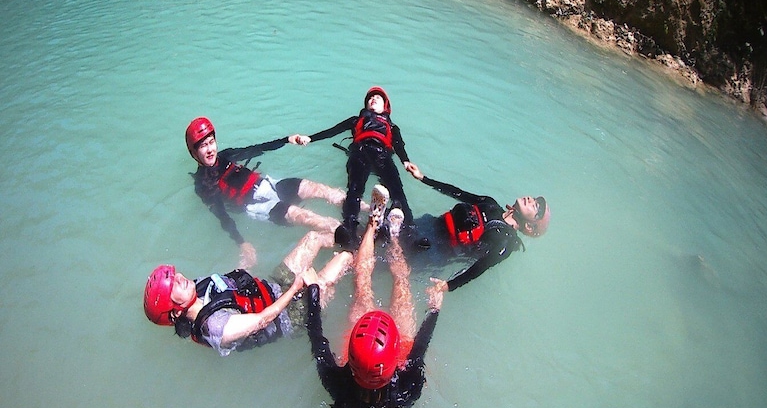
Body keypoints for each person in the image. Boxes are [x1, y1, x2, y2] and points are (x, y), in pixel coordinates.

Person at [305, 185, 445, 408]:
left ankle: (373, 223)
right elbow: (418, 350)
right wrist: (433, 310)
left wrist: (313, 291)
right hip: (398, 349)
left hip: (368, 347)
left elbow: (317, 338)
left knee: (361, 285)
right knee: (401, 284)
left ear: (349, 357)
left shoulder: (337, 384)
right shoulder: (405, 390)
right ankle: (392, 236)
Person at [186, 116, 366, 268]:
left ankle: (366, 209)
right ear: (193, 153)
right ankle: (355, 246)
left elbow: (257, 149)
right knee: (304, 215)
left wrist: (286, 140)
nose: (210, 150)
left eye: (211, 142)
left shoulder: (226, 156)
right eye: (203, 146)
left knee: (317, 188)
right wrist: (242, 243)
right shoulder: (203, 184)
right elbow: (222, 215)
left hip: (268, 184)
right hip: (258, 206)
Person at [144, 230, 352, 356]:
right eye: (173, 285)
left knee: (313, 238)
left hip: (272, 287)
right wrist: (298, 287)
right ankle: (366, 252)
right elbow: (262, 320)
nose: (180, 277)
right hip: (288, 318)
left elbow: (230, 286)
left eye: (175, 275)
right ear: (175, 312)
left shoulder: (196, 287)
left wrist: (245, 264)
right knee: (340, 263)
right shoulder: (216, 328)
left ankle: (354, 234)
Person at [289, 86, 421, 248]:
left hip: (382, 155)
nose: (373, 99)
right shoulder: (356, 120)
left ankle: (411, 235)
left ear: (385, 106)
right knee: (354, 191)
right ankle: (350, 231)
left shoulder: (392, 127)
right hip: (360, 152)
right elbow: (333, 131)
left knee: (398, 192)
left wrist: (406, 161)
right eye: (370, 98)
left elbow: (399, 145)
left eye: (378, 98)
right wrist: (309, 138)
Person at [406, 166, 551, 292]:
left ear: (530, 226)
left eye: (536, 207)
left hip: (436, 251)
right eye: (534, 199)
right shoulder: (490, 203)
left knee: (396, 260)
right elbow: (458, 193)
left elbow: (480, 267)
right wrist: (423, 178)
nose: (531, 200)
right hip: (429, 224)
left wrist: (449, 286)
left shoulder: (506, 240)